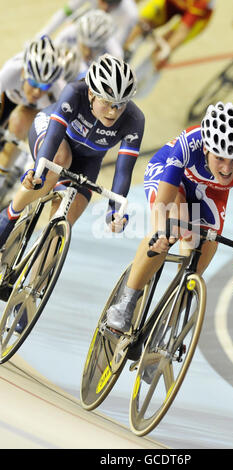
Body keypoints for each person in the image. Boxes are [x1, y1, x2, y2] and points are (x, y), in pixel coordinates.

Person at [0, 54, 145, 330]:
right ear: (91, 92)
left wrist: (116, 211)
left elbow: (124, 170)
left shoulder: (135, 119)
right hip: (53, 137)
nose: (113, 112)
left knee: (62, 225)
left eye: (119, 105)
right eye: (106, 102)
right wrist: (38, 174)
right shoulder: (74, 93)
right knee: (58, 162)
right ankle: (9, 216)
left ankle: (28, 294)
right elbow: (54, 136)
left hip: (89, 162)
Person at [106, 101, 233, 334]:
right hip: (171, 177)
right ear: (207, 149)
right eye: (220, 158)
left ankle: (164, 334)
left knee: (203, 250)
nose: (228, 169)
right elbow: (164, 203)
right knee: (173, 229)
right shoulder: (190, 143)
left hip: (210, 193)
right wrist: (160, 232)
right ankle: (126, 302)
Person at [0, 35, 65, 193]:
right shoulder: (11, 70)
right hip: (12, 97)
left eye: (45, 86)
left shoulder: (59, 91)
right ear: (24, 72)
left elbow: (49, 139)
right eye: (34, 83)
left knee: (21, 125)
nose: (38, 91)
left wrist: (32, 167)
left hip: (40, 110)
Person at [123, 0, 215, 70]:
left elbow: (183, 30)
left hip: (198, 17)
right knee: (141, 23)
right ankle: (123, 50)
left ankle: (146, 73)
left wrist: (165, 52)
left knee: (164, 47)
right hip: (172, 3)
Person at [36, 0, 139, 57]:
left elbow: (116, 45)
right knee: (68, 27)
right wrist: (41, 37)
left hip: (106, 37)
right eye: (102, 2)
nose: (105, 8)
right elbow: (65, 13)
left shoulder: (130, 14)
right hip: (85, 21)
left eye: (111, 6)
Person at [56, 9, 118, 82]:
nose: (87, 52)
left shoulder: (114, 54)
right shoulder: (70, 32)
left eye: (94, 48)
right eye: (84, 45)